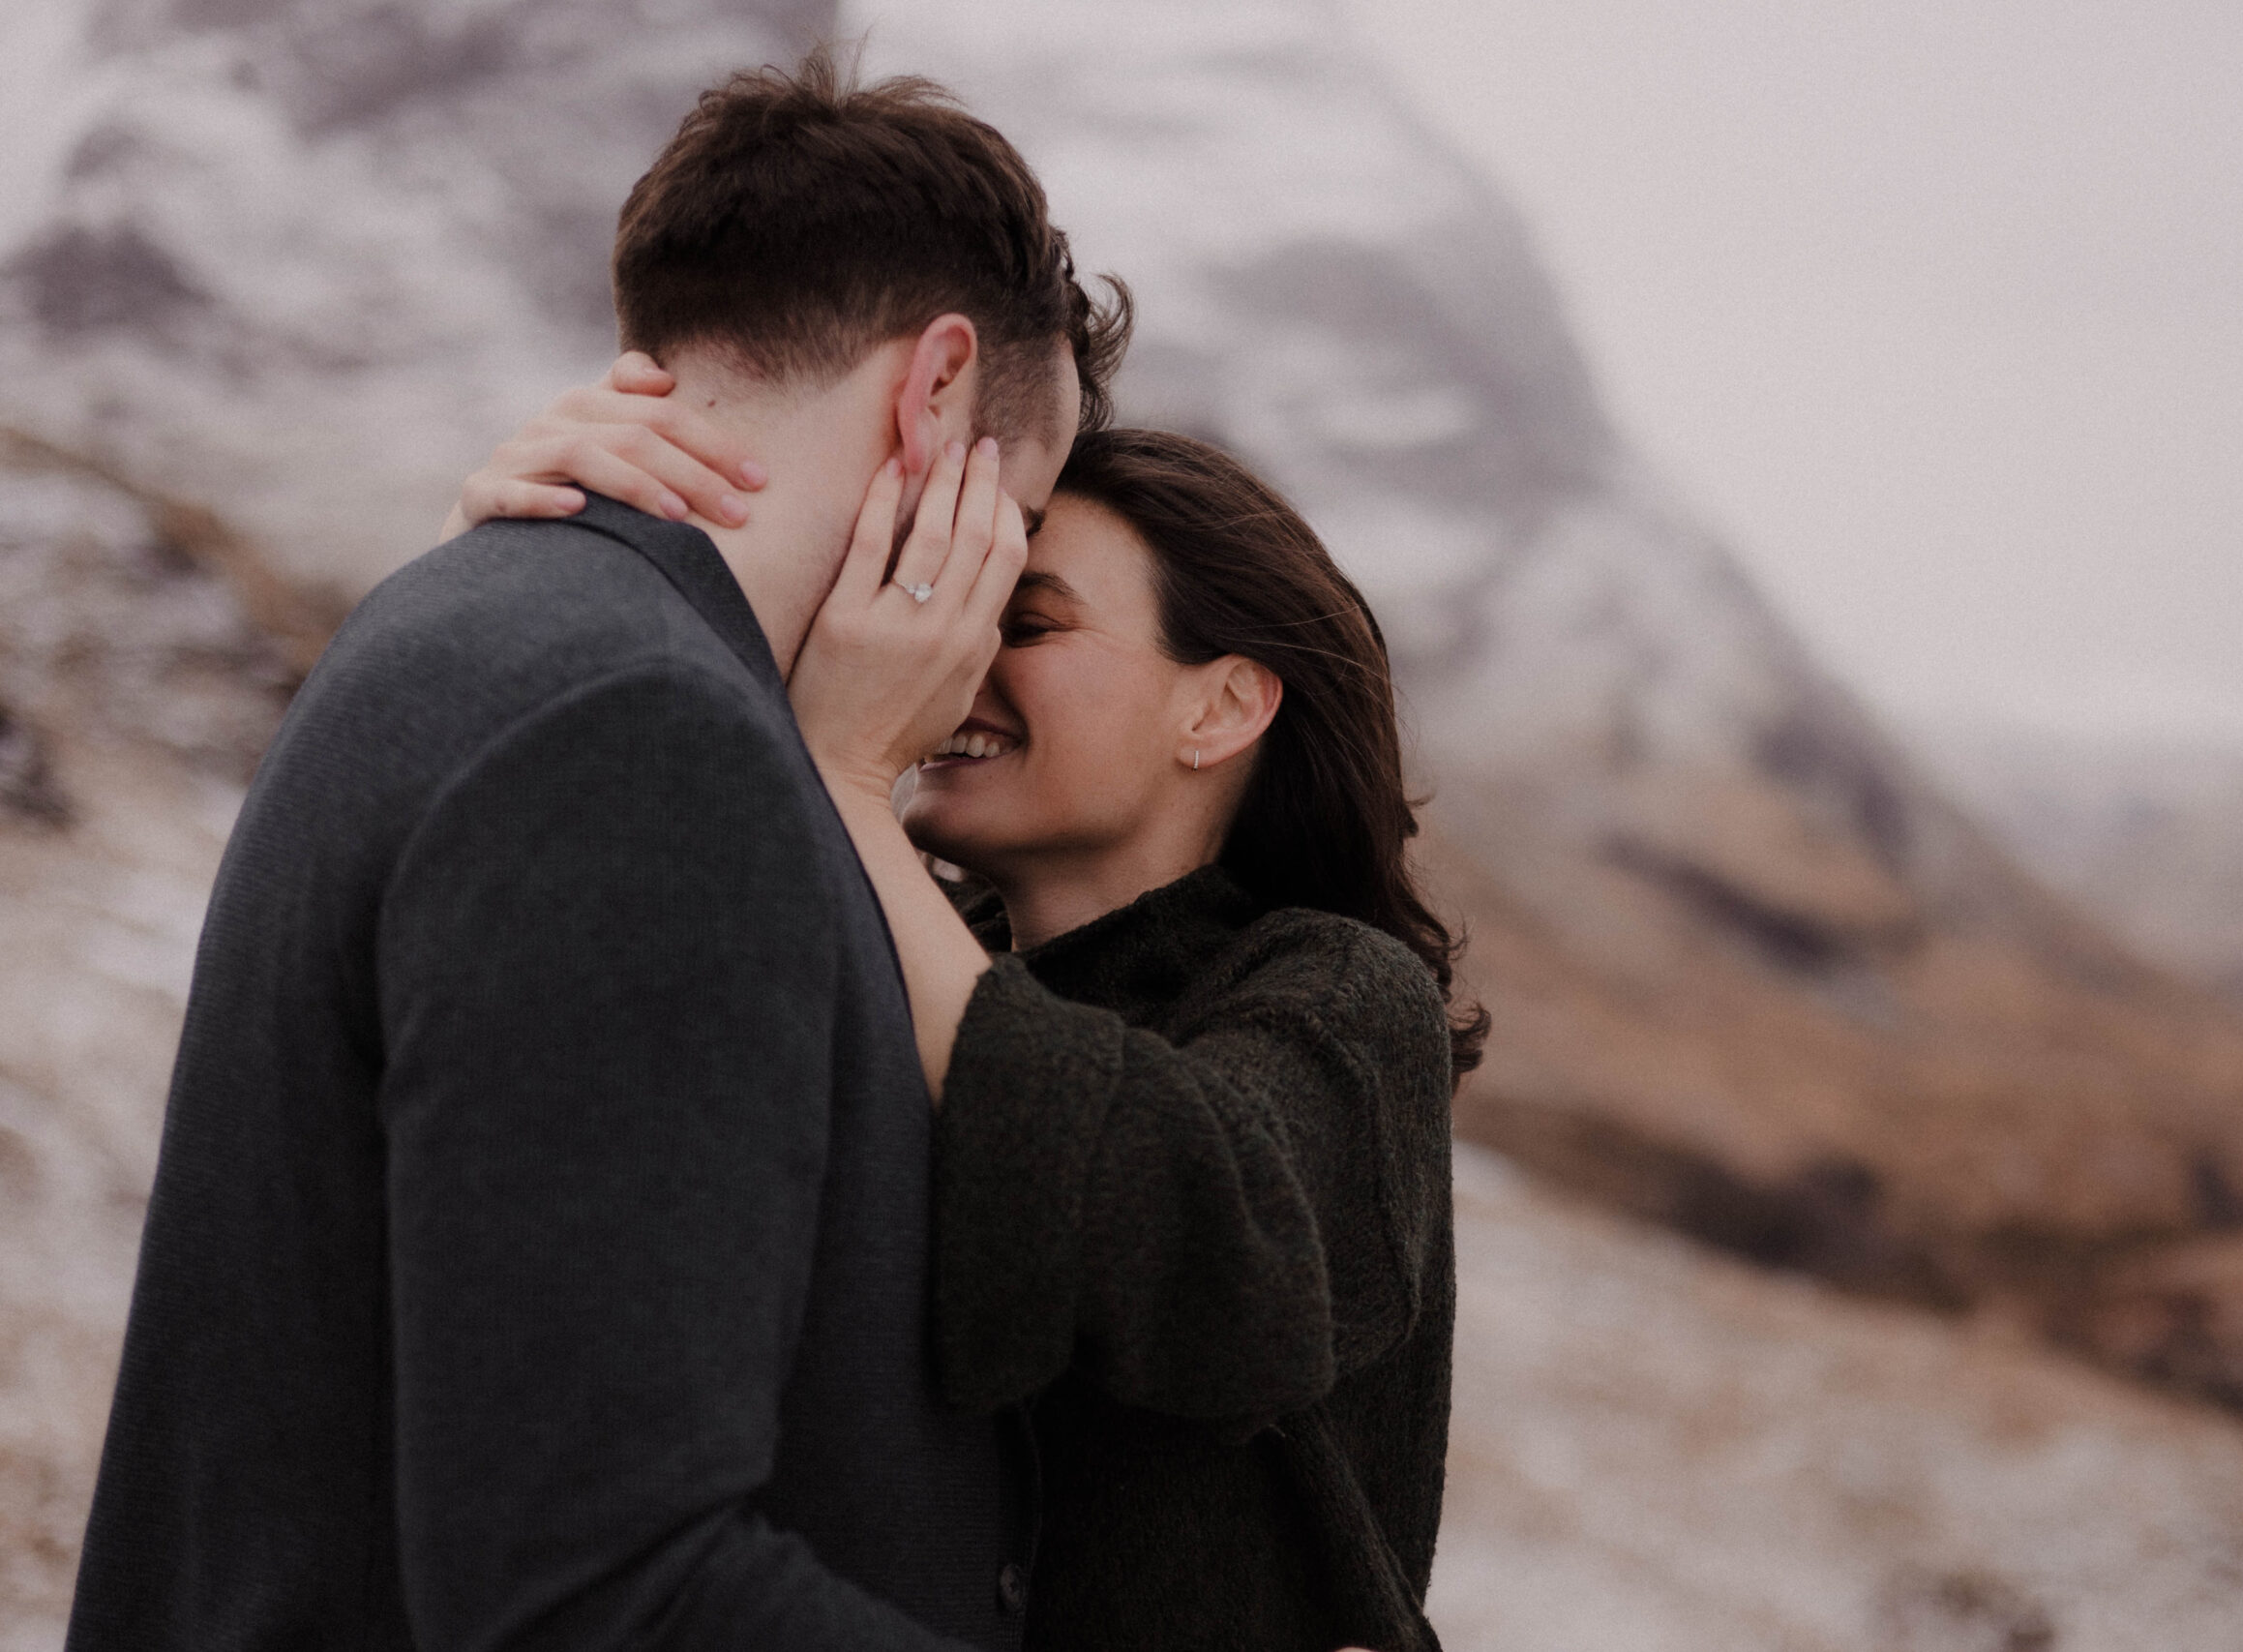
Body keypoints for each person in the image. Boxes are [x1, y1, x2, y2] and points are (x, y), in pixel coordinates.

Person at [69, 51, 1125, 1652]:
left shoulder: (453, 610)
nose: (987, 644)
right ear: (933, 392)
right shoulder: (647, 737)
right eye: (1018, 517)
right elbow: (600, 1588)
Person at [457, 375, 1487, 1647]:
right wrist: (547, 562)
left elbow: (1205, 1248)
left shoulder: (1339, 994)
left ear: (1219, 707)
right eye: (961, 607)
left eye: (1031, 621)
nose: (954, 658)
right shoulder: (888, 936)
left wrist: (842, 775)